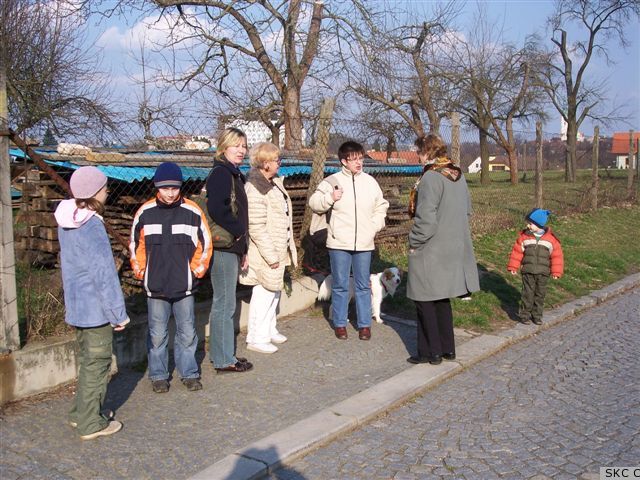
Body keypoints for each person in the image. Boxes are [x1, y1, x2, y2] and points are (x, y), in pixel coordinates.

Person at [54, 166, 129, 440]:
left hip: (77, 306)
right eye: (105, 187)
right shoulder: (91, 224)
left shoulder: (66, 219)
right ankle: (90, 424)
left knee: (86, 361)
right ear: (96, 192)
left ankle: (79, 413)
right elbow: (104, 274)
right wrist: (117, 314)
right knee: (97, 365)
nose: (107, 191)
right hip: (96, 309)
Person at [130, 162, 212, 393]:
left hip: (183, 285)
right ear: (157, 187)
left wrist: (195, 271)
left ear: (180, 187)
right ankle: (158, 375)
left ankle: (189, 373)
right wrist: (142, 271)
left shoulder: (193, 211)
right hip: (155, 286)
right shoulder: (145, 213)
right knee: (157, 334)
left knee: (187, 332)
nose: (170, 192)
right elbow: (137, 246)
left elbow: (205, 245)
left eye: (174, 188)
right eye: (165, 188)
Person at [406, 133, 480, 365]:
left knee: (424, 299)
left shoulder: (430, 178)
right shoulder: (457, 174)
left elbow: (426, 220)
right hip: (454, 245)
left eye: (419, 151)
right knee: (441, 298)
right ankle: (449, 349)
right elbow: (467, 209)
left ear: (427, 152)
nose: (418, 156)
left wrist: (414, 241)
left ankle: (430, 352)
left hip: (431, 247)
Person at [309, 141, 389, 341]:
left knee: (363, 285)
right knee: (340, 284)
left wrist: (374, 226)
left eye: (360, 158)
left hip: (364, 242)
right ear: (344, 161)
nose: (358, 163)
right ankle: (340, 323)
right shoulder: (332, 181)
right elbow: (314, 203)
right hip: (338, 243)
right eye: (354, 159)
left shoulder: (370, 182)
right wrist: (330, 197)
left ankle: (364, 325)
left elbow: (382, 206)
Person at [239, 142, 297, 354]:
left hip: (277, 247)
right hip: (264, 252)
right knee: (263, 293)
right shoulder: (255, 187)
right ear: (264, 163)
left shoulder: (273, 183)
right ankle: (257, 337)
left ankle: (269, 329)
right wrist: (271, 255)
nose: (278, 163)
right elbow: (256, 226)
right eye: (275, 160)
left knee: (273, 292)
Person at [205, 128, 253, 373]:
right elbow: (217, 209)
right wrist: (238, 232)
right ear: (224, 147)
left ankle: (223, 355)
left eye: (244, 145)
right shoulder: (222, 174)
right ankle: (224, 360)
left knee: (225, 302)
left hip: (232, 245)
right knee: (224, 304)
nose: (242, 150)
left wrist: (242, 246)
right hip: (223, 246)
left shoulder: (234, 174)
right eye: (236, 145)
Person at [507, 208, 564, 325]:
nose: (528, 226)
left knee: (539, 295)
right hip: (528, 271)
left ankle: (537, 316)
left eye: (530, 223)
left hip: (543, 273)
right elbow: (517, 252)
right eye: (528, 223)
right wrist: (513, 267)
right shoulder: (524, 237)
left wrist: (556, 272)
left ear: (539, 225)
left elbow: (557, 256)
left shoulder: (551, 240)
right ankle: (525, 315)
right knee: (527, 294)